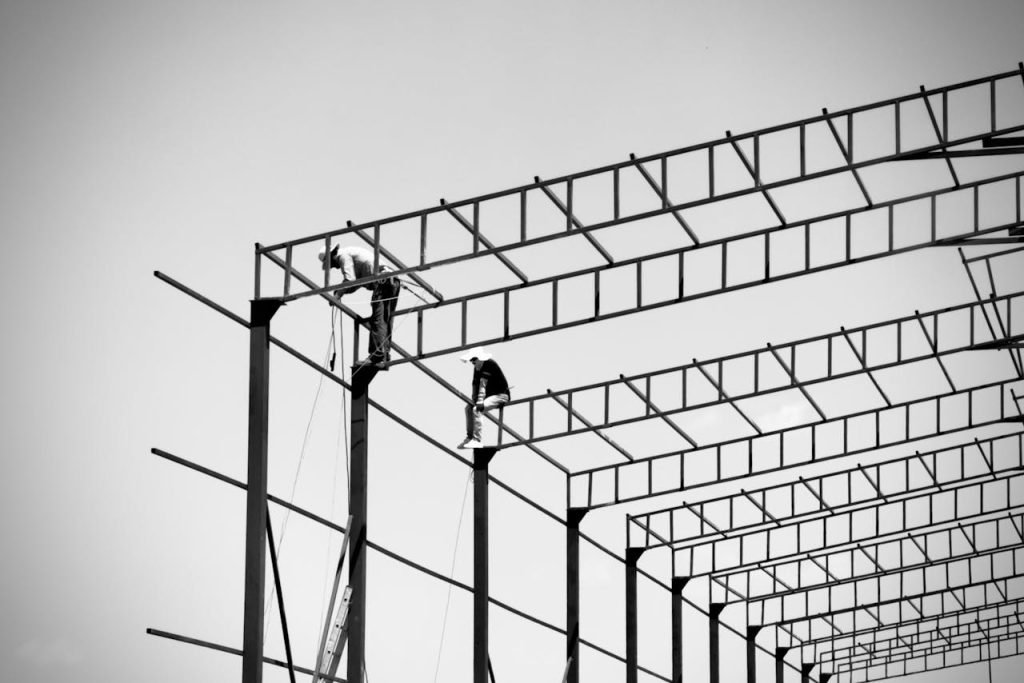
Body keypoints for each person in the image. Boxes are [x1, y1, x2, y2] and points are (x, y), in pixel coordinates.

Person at [318, 244, 400, 370]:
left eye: (330, 264)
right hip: (392, 280)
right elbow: (355, 283)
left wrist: (338, 295)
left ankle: (377, 355)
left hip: (382, 280)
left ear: (332, 256)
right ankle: (385, 354)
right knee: (386, 318)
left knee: (378, 318)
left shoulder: (343, 256)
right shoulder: (351, 254)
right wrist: (340, 292)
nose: (333, 267)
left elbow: (350, 280)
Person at [458, 347, 510, 449]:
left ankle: (477, 440)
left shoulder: (489, 365)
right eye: (471, 361)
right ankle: (469, 437)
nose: (472, 363)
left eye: (474, 360)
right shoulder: (477, 368)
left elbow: (483, 384)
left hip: (501, 395)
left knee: (477, 410)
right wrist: (474, 399)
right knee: (468, 408)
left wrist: (480, 401)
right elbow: (475, 384)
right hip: (489, 395)